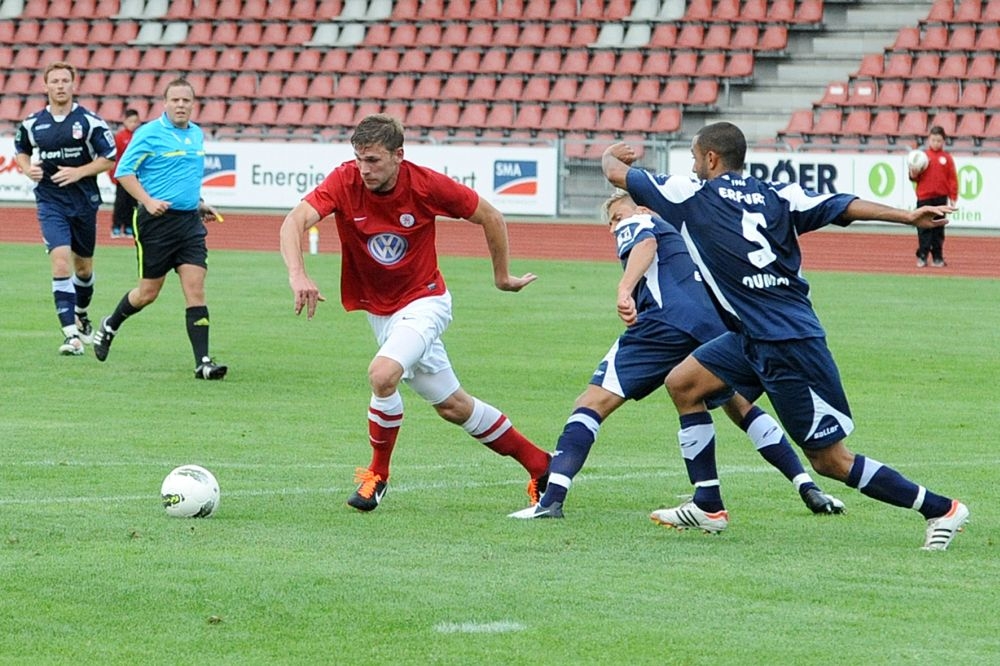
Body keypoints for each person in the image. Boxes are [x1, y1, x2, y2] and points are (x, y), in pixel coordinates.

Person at [603, 121, 969, 551]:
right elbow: (843, 205)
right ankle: (708, 505)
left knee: (831, 461)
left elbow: (613, 171)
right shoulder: (778, 194)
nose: (693, 164)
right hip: (752, 336)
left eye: (694, 157)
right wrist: (907, 216)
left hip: (787, 343)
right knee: (684, 383)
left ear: (711, 159)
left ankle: (940, 509)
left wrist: (614, 150)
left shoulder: (691, 194)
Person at [510, 191, 844, 521]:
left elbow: (644, 244)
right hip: (711, 325)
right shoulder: (684, 233)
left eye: (617, 217)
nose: (614, 227)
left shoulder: (642, 218)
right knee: (740, 406)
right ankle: (806, 487)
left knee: (590, 404)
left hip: (664, 325)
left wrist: (624, 289)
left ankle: (550, 502)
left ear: (641, 207)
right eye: (610, 223)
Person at [279, 113, 550, 512]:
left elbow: (490, 215)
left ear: (398, 155)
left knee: (382, 375)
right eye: (358, 159)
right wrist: (298, 273)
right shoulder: (344, 180)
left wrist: (502, 277)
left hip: (425, 301)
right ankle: (540, 464)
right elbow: (294, 221)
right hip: (382, 313)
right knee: (453, 406)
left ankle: (378, 476)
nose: (363, 169)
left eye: (373, 160)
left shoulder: (425, 184)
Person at [92, 78, 227, 380]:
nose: (181, 105)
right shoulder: (150, 133)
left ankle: (203, 362)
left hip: (189, 223)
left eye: (186, 101)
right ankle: (110, 325)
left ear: (193, 104)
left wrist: (199, 202)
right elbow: (124, 172)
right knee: (148, 293)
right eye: (175, 100)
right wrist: (148, 201)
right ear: (165, 103)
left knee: (196, 289)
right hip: (156, 224)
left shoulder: (196, 134)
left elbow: (187, 177)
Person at [13, 61, 116, 356]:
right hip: (50, 201)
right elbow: (21, 149)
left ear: (74, 85)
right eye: (54, 81)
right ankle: (70, 334)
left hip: (83, 202)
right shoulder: (33, 123)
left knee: (83, 269)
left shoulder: (89, 122)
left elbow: (109, 157)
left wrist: (79, 171)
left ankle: (81, 313)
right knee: (60, 261)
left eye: (64, 81)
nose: (60, 86)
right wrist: (25, 168)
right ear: (45, 86)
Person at [909, 125, 957, 268]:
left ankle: (938, 256)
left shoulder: (946, 158)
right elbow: (915, 177)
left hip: (940, 199)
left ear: (943, 142)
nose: (936, 143)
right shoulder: (922, 157)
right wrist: (913, 173)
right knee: (923, 228)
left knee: (938, 229)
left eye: (939, 141)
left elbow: (952, 179)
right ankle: (922, 256)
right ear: (929, 140)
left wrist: (953, 196)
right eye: (933, 140)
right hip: (924, 198)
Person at [109, 107, 141, 239]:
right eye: (131, 121)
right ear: (125, 121)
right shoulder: (120, 137)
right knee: (121, 202)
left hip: (135, 175)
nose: (133, 124)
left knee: (132, 202)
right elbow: (114, 157)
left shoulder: (139, 137)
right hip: (122, 176)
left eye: (135, 121)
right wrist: (113, 174)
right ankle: (116, 226)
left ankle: (129, 226)